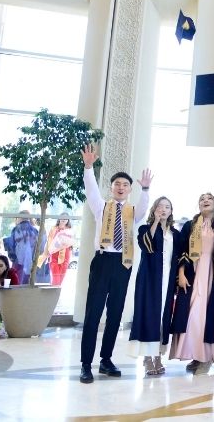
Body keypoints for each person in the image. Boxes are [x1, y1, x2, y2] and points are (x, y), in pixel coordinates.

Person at [79, 144, 152, 384]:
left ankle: (106, 359)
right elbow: (91, 190)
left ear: (130, 190)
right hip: (102, 261)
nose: (121, 187)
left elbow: (144, 208)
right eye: (117, 184)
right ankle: (86, 364)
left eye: (125, 185)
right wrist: (88, 167)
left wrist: (145, 189)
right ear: (111, 188)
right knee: (93, 313)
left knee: (115, 313)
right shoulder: (101, 207)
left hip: (123, 264)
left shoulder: (133, 211)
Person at [170, 193, 214, 374]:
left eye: (209, 198)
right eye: (202, 199)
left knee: (205, 316)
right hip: (192, 273)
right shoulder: (191, 225)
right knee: (191, 315)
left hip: (212, 274)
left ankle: (205, 358)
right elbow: (182, 250)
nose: (205, 200)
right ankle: (196, 355)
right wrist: (181, 274)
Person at [128, 197, 180, 376]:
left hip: (167, 279)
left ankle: (158, 355)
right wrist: (156, 222)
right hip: (149, 279)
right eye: (160, 206)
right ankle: (147, 358)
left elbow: (179, 256)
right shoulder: (145, 229)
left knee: (163, 316)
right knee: (149, 314)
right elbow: (147, 246)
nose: (163, 209)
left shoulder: (175, 234)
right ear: (154, 209)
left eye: (167, 207)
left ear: (171, 211)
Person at [6, 211, 45, 285]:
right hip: (31, 262)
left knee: (16, 282)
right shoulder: (35, 231)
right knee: (27, 283)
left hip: (18, 261)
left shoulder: (16, 229)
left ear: (19, 218)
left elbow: (11, 246)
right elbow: (40, 248)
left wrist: (12, 258)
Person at [43, 215, 76, 286]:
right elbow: (49, 242)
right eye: (62, 217)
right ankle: (53, 292)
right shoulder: (53, 229)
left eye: (66, 218)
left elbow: (72, 244)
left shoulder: (70, 231)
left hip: (65, 257)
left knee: (60, 280)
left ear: (68, 220)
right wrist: (45, 254)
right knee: (56, 279)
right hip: (54, 256)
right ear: (59, 219)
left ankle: (55, 292)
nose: (64, 219)